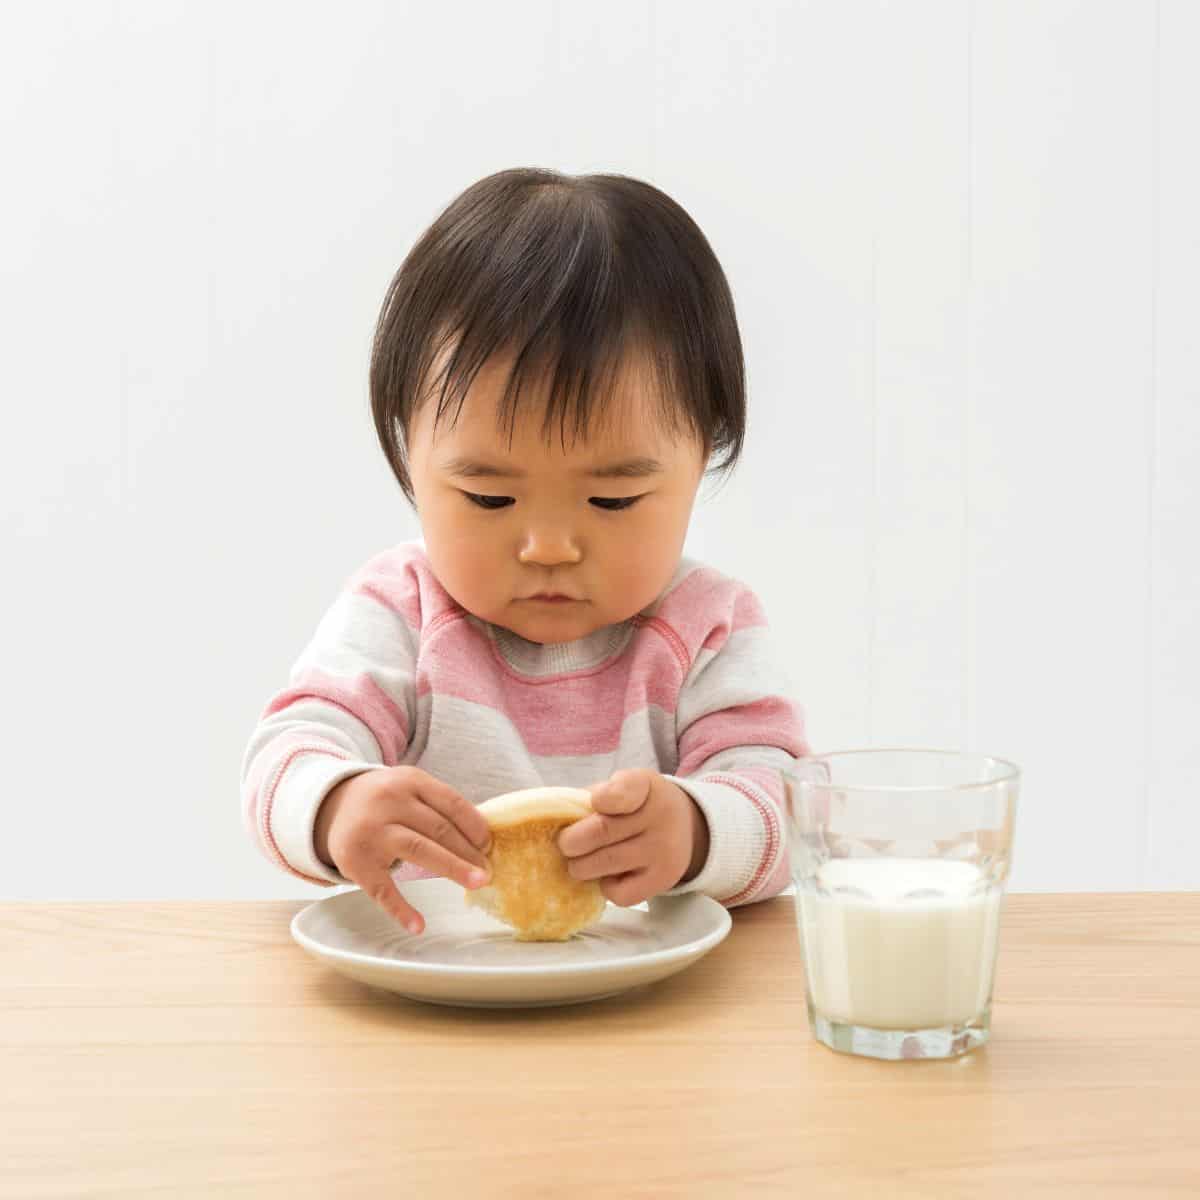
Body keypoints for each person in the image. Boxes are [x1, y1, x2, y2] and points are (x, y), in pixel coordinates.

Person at [240, 167, 810, 935]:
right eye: (490, 499)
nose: (547, 547)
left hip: (652, 1011)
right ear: (412, 454)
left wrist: (697, 829)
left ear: (702, 453)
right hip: (431, 991)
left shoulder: (706, 626)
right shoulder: (402, 612)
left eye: (611, 500)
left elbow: (787, 807)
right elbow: (287, 754)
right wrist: (337, 806)